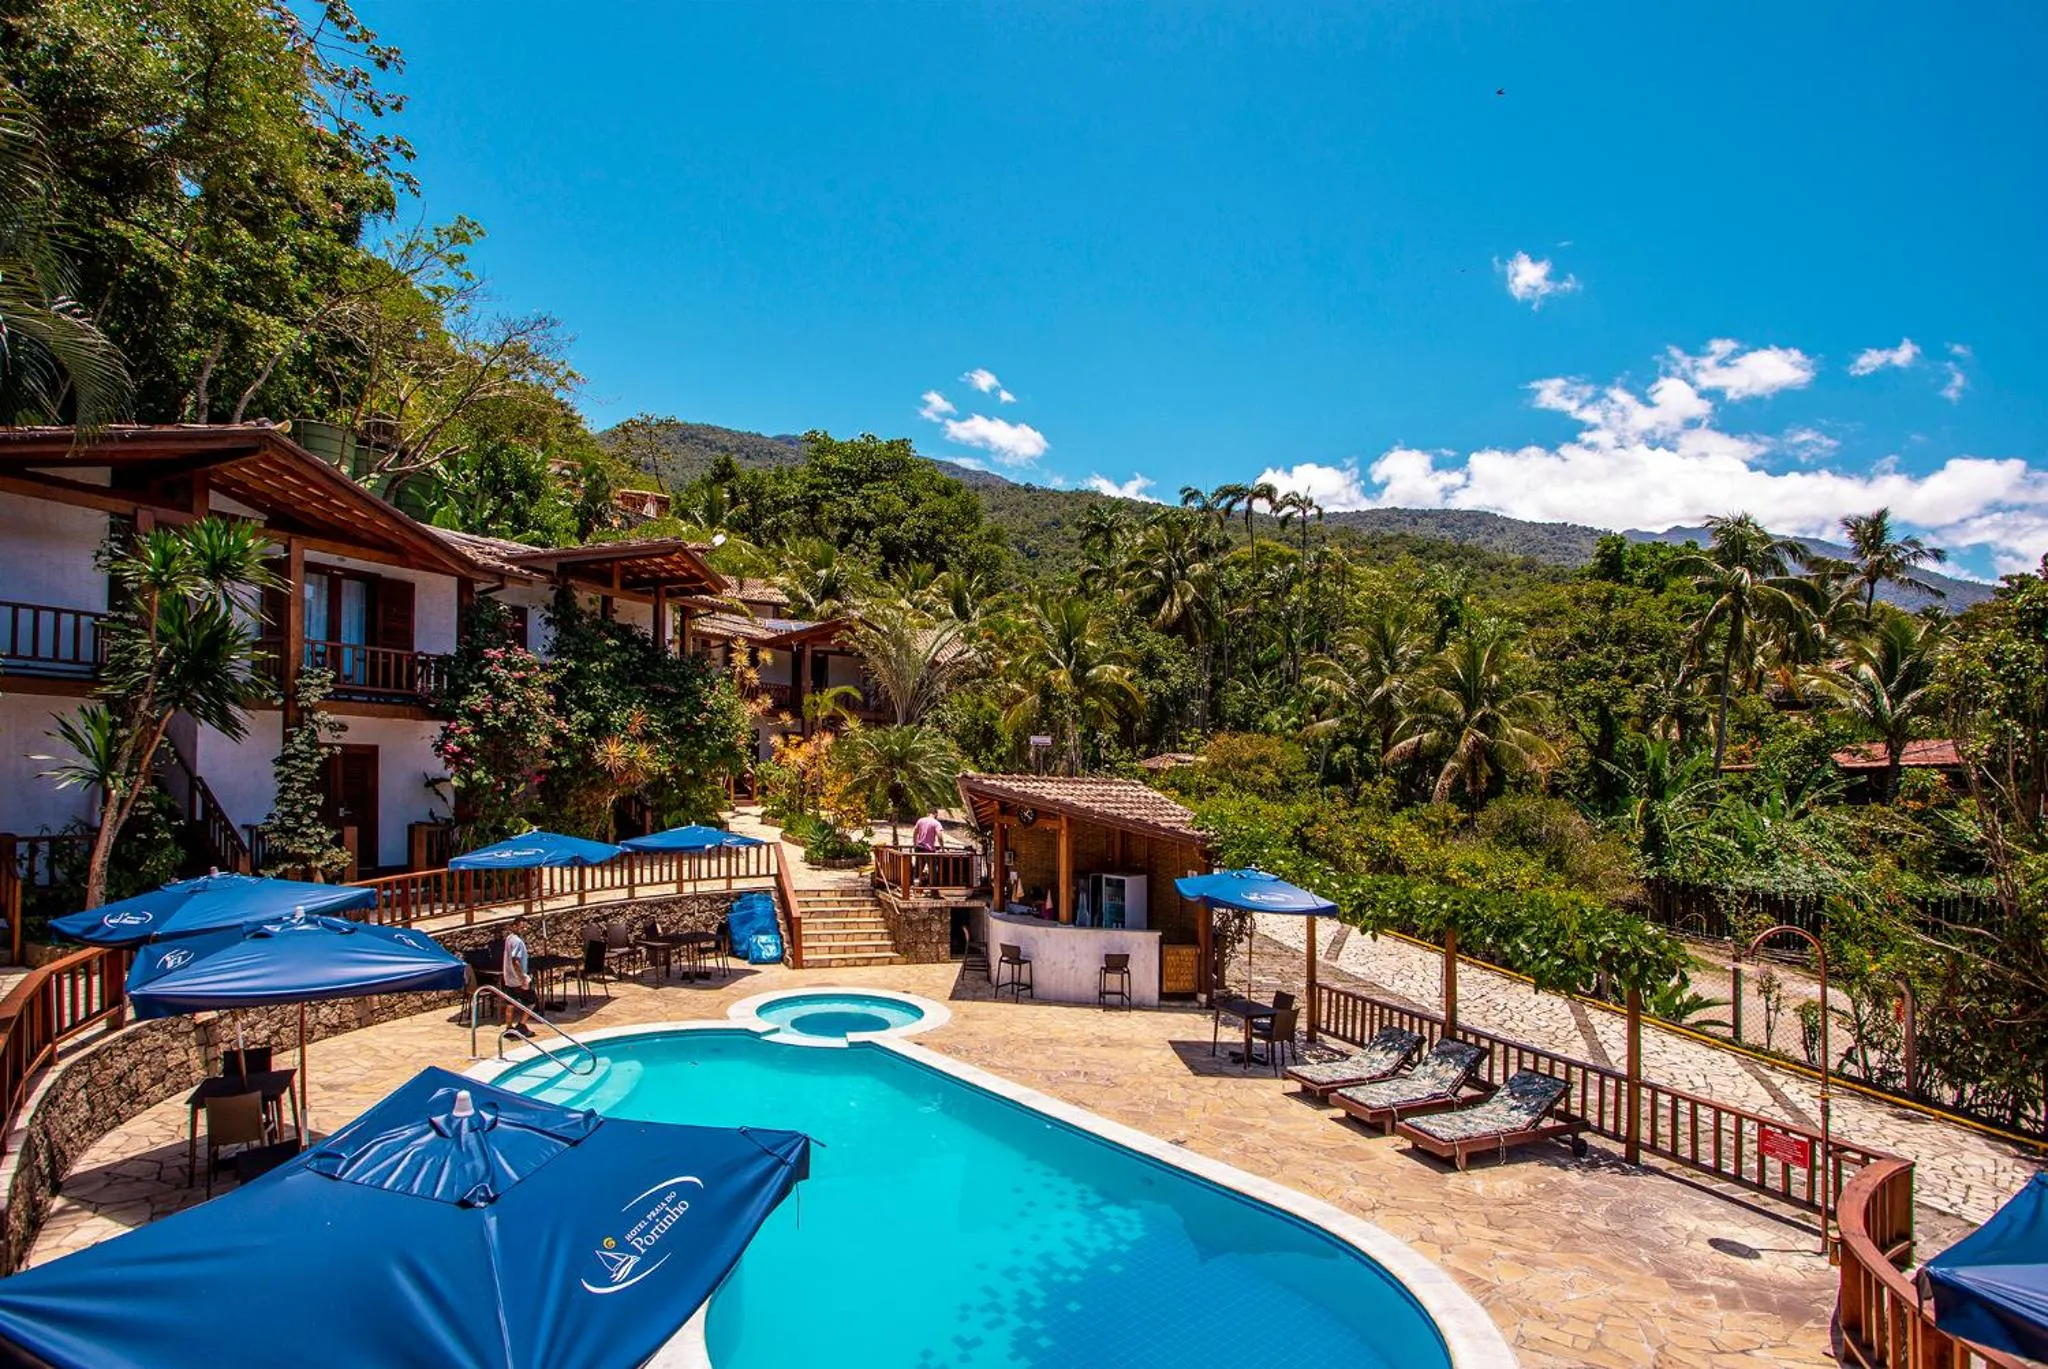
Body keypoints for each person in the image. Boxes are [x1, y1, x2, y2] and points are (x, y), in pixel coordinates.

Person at [500, 914, 535, 1038]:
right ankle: (521, 1025)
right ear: (513, 927)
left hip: (508, 978)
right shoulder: (518, 942)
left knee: (510, 1003)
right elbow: (516, 961)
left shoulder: (509, 939)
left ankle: (509, 1028)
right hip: (517, 980)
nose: (523, 930)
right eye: (521, 927)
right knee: (531, 1001)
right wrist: (523, 979)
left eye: (525, 927)